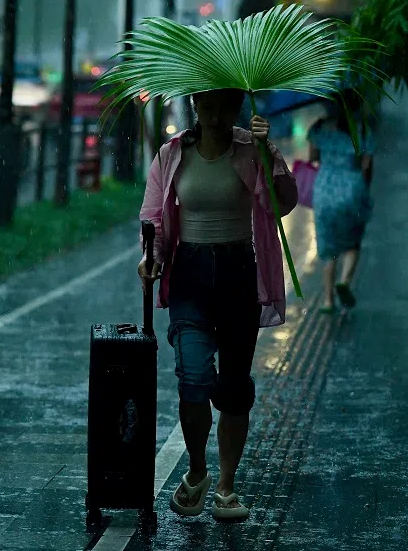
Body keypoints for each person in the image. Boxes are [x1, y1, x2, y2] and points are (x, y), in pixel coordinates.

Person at [137, 88, 298, 520]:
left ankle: (226, 487)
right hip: (189, 273)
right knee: (191, 377)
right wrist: (151, 257)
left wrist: (268, 153)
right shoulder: (173, 154)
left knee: (232, 386)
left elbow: (284, 202)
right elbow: (153, 216)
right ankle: (197, 470)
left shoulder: (251, 148)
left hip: (237, 273)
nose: (214, 114)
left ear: (236, 109)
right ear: (195, 107)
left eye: (224, 106)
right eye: (206, 105)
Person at [307, 99, 374, 312]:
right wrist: (362, 190)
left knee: (328, 246)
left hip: (325, 190)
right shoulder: (362, 129)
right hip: (352, 189)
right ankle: (344, 281)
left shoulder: (319, 127)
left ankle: (327, 301)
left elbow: (312, 158)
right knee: (352, 242)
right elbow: (367, 164)